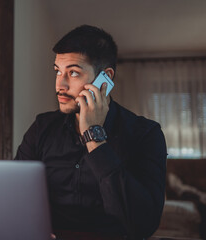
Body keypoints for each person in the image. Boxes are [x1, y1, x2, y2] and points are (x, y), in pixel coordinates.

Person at [15, 25, 167, 240]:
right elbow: (16, 195)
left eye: (73, 73)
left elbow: (143, 225)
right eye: (58, 71)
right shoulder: (42, 127)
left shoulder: (146, 134)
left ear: (105, 78)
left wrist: (93, 135)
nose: (60, 84)